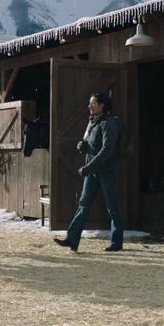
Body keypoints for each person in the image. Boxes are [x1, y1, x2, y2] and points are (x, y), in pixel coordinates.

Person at [54, 91, 126, 252]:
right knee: (83, 205)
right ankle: (72, 239)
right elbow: (93, 145)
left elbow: (107, 150)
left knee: (112, 207)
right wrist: (83, 146)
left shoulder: (109, 124)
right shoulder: (93, 122)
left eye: (93, 103)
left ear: (102, 105)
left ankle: (117, 242)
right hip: (94, 172)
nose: (89, 106)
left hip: (107, 172)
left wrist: (88, 167)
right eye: (90, 103)